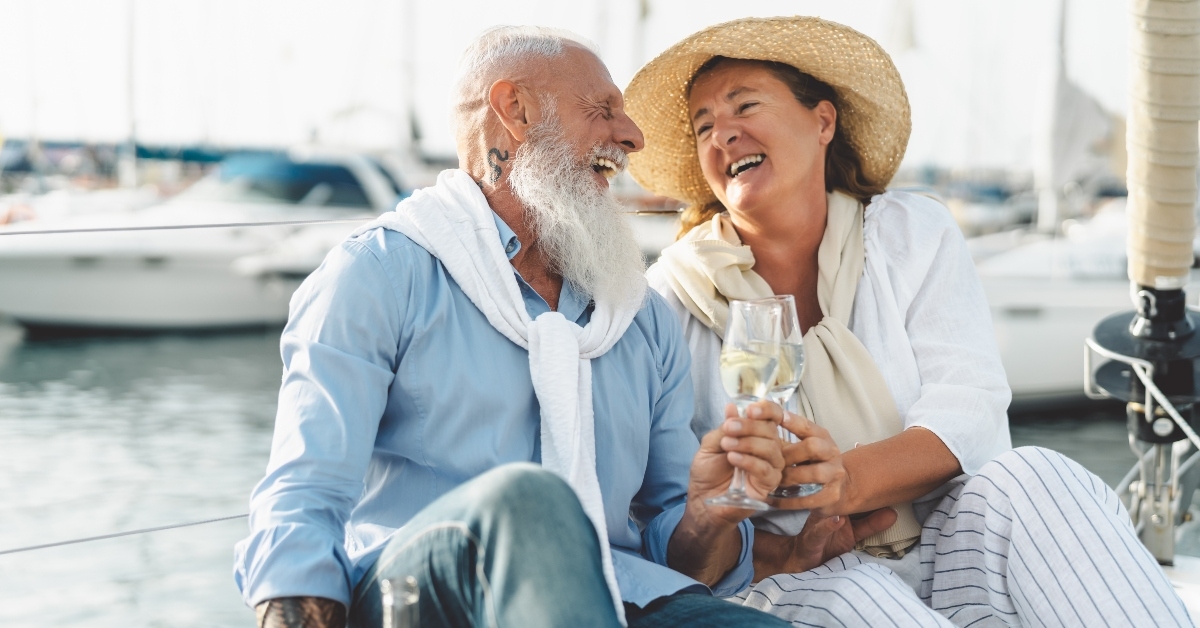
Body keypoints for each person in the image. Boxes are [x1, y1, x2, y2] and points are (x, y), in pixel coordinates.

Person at [624, 16, 1191, 627]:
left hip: (942, 536)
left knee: (1039, 474)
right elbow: (671, 520)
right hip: (794, 572)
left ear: (822, 121)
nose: (722, 135)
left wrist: (847, 479)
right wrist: (785, 543)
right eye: (704, 125)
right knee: (860, 596)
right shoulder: (669, 299)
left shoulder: (910, 234)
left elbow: (968, 404)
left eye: (744, 106)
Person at [234, 26, 800, 628]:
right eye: (603, 110)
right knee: (528, 501)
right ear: (516, 111)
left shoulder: (639, 315)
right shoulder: (379, 273)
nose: (632, 136)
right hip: (421, 596)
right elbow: (303, 498)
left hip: (618, 593)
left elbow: (684, 558)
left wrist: (709, 512)